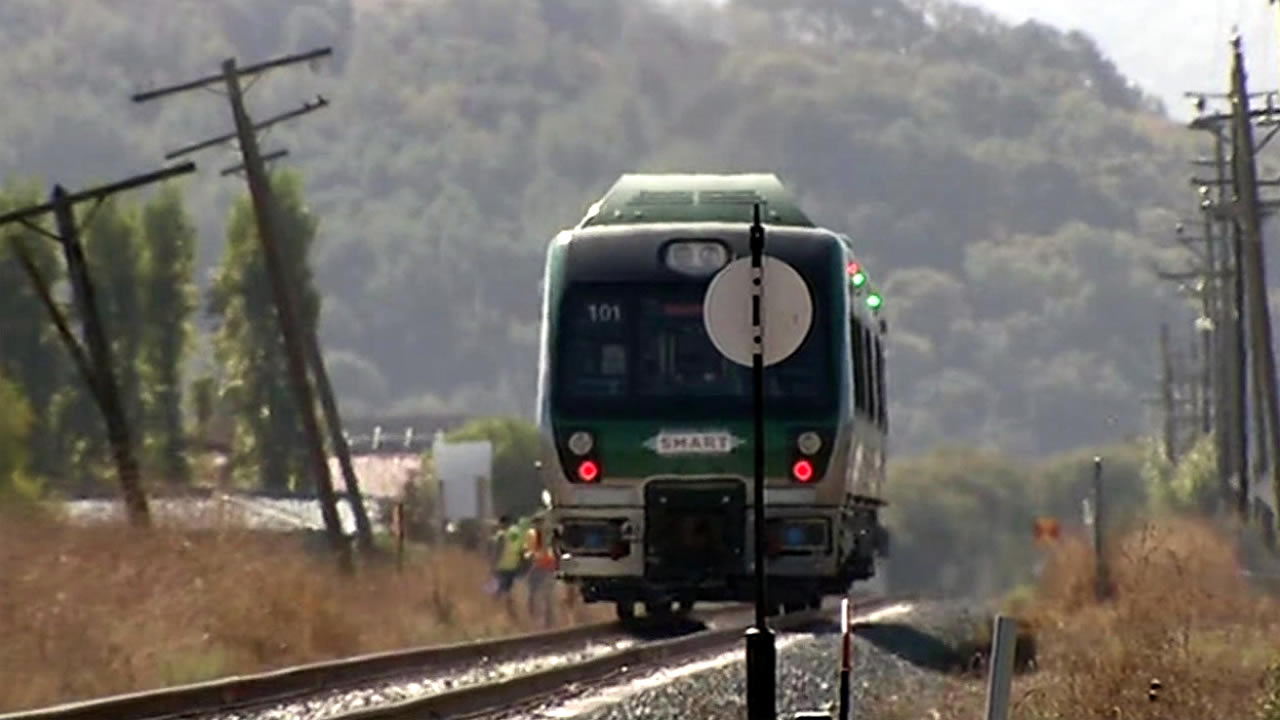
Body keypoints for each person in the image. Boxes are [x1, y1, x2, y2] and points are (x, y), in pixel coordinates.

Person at [523, 513, 558, 628]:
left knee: (536, 593)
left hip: (541, 566)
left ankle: (538, 618)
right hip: (548, 566)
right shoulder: (550, 534)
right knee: (546, 595)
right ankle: (547, 621)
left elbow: (528, 552)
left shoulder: (532, 534)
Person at [490, 515, 524, 615]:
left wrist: (493, 563)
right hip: (513, 565)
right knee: (507, 590)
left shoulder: (502, 534)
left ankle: (494, 609)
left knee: (496, 588)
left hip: (501, 566)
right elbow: (521, 548)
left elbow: (498, 550)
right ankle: (510, 611)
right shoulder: (517, 532)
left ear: (502, 523)